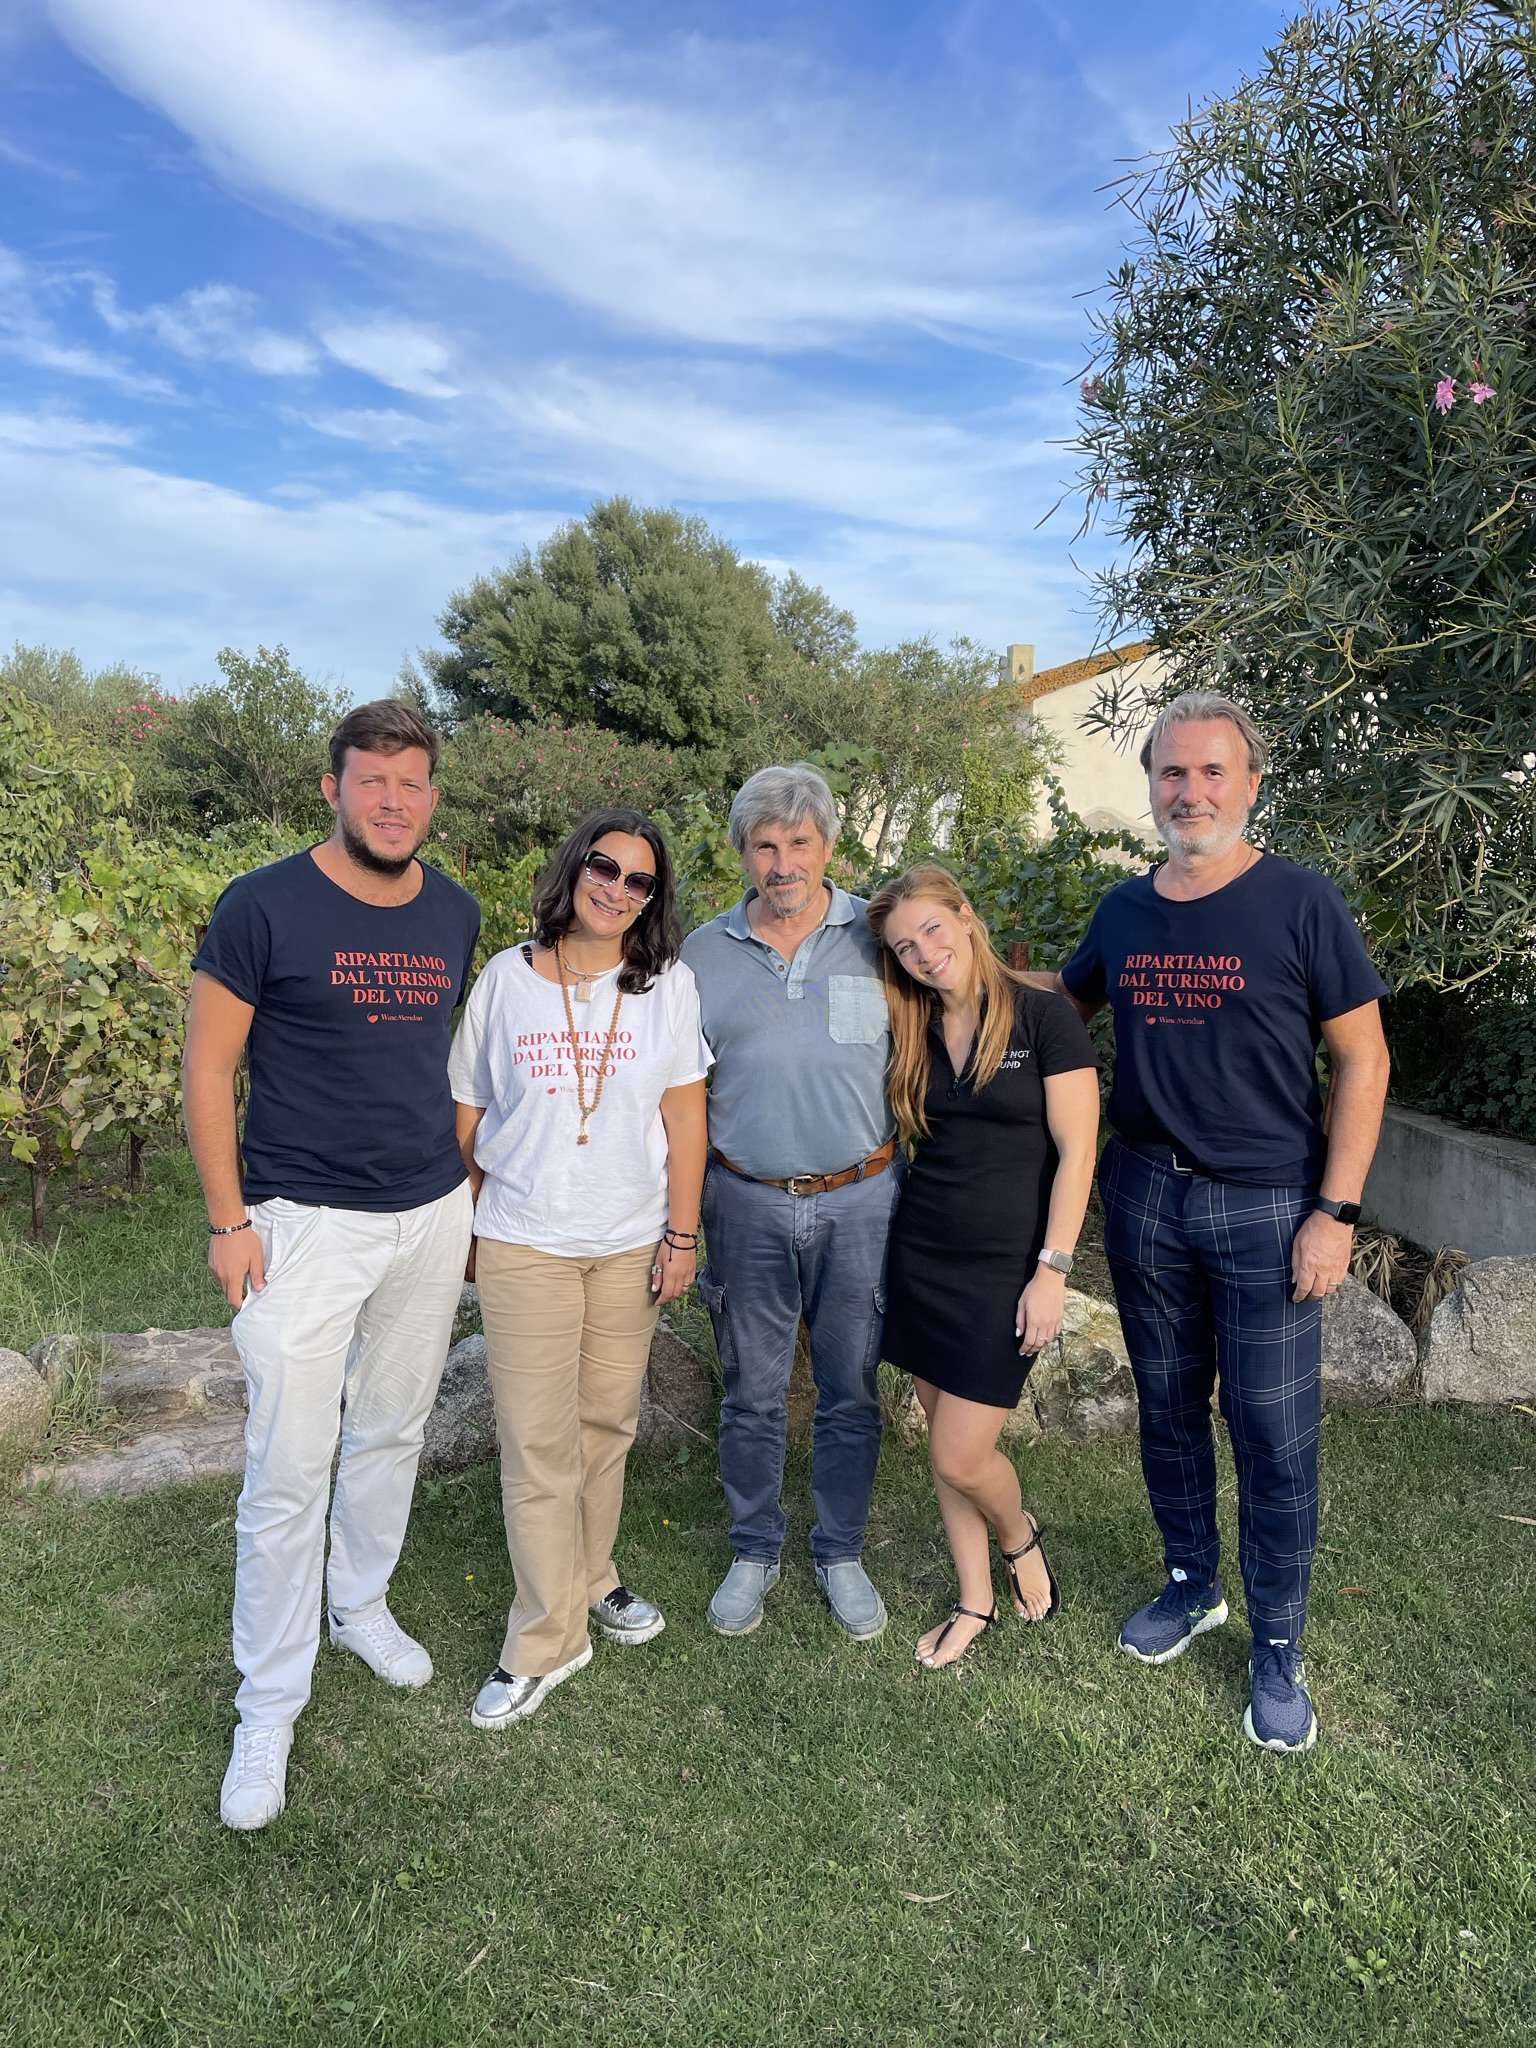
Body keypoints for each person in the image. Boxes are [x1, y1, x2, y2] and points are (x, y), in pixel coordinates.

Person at [1027, 691, 1390, 1753]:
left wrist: (1336, 1211)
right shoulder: (1125, 911)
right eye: (1172, 773)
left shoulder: (1301, 901)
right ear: (1152, 785)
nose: (1191, 792)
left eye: (1212, 771)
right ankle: (1193, 1584)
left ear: (1251, 784)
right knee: (1170, 1412)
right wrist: (952, 963)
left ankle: (1277, 1642)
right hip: (1146, 1194)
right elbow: (1062, 1003)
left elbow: (1364, 1060)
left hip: (1270, 1203)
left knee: (1272, 1433)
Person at [183, 699, 479, 1832]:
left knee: (393, 1429)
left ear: (431, 797)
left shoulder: (454, 911)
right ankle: (268, 1704)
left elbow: (427, 1061)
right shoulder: (261, 905)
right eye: (372, 781)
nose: (392, 802)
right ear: (333, 789)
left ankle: (357, 1603)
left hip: (428, 1214)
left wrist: (456, 1198)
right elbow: (209, 1071)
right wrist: (229, 1223)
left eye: (411, 784)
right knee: (287, 1469)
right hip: (302, 1225)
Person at [449, 811, 710, 1728]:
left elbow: (686, 1117)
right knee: (536, 1442)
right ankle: (544, 1638)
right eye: (605, 867)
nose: (618, 889)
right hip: (525, 1239)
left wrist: (682, 1236)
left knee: (606, 1424)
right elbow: (467, 1113)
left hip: (630, 1241)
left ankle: (593, 1577)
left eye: (640, 881)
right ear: (574, 869)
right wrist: (466, 1228)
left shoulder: (668, 985)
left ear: (652, 899)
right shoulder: (506, 979)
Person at [682, 764, 899, 1641]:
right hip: (746, 1201)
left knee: (850, 1388)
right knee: (752, 1391)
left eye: (799, 843)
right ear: (743, 852)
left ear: (828, 845)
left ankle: (840, 1550)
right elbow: (674, 1091)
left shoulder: (879, 939)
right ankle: (754, 1547)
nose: (783, 864)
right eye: (765, 846)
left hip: (862, 1199)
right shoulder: (701, 954)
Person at [866, 867, 1099, 1667]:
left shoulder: (1044, 1018)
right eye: (905, 946)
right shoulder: (916, 1026)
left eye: (932, 929)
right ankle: (975, 1599)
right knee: (946, 1443)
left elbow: (1077, 1153)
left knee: (959, 1454)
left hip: (1007, 1267)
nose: (924, 953)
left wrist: (1052, 1271)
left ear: (966, 918)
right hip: (923, 1253)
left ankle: (1018, 1534)